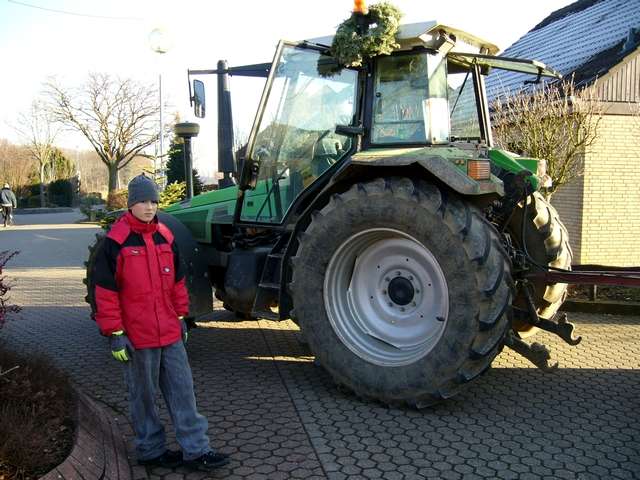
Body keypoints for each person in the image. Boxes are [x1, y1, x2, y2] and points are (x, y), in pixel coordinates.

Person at [92, 174, 229, 472]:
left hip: (169, 333)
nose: (149, 206)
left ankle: (196, 450)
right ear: (131, 204)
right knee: (143, 397)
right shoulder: (115, 242)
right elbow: (105, 293)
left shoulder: (165, 237)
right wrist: (115, 334)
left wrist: (181, 318)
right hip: (137, 337)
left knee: (183, 392)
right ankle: (150, 450)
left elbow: (178, 283)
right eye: (142, 201)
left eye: (153, 201)